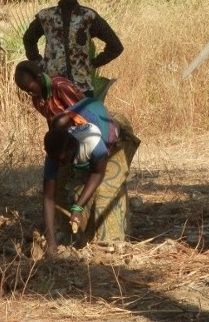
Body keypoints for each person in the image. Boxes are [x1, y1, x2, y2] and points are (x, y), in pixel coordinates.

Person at [14, 59, 139, 256]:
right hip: (66, 138)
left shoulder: (94, 141)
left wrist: (78, 207)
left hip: (110, 135)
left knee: (106, 188)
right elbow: (48, 196)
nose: (30, 94)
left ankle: (112, 243)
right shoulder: (57, 150)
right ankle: (66, 236)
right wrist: (51, 242)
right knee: (63, 187)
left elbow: (97, 173)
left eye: (30, 88)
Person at [23, 0, 123, 96]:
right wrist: (39, 63)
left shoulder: (88, 17)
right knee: (57, 117)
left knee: (82, 117)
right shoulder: (46, 16)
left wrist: (92, 64)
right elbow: (28, 39)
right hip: (54, 87)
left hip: (82, 88)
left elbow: (116, 46)